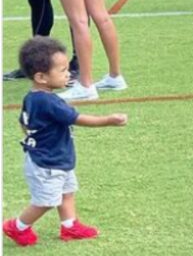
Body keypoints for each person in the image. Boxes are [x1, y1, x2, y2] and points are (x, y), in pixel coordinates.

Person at [2, 36, 127, 247]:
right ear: (41, 77)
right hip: (47, 163)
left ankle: (69, 226)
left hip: (56, 158)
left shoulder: (32, 97)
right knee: (45, 201)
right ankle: (18, 226)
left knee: (67, 191)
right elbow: (78, 119)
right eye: (62, 71)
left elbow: (23, 121)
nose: (68, 74)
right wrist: (109, 120)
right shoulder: (50, 102)